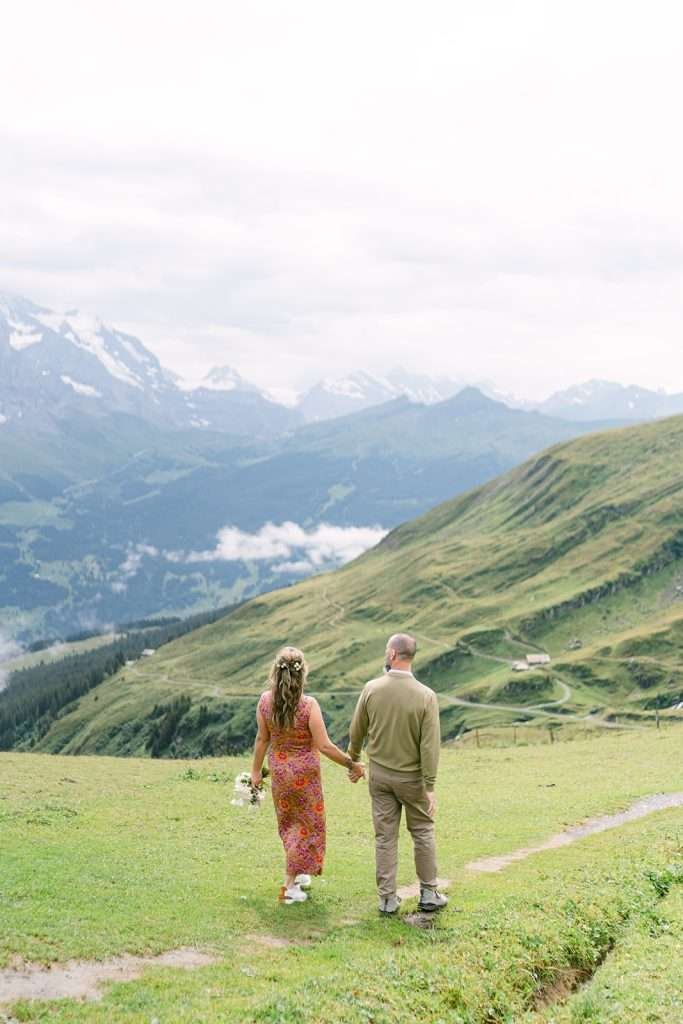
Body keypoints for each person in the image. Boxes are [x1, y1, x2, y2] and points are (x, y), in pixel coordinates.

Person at [252, 645, 364, 904]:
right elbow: (324, 745)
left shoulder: (264, 701)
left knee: (289, 824)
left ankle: (299, 871)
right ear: (302, 674)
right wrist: (352, 764)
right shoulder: (309, 705)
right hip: (306, 777)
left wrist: (256, 770)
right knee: (307, 826)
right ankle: (289, 887)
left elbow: (261, 739)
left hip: (280, 774)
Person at [347, 632, 448, 915]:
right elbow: (429, 746)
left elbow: (356, 732)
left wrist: (354, 762)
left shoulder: (371, 689)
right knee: (423, 832)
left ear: (392, 654)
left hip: (379, 777)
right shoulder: (426, 696)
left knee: (385, 838)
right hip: (413, 779)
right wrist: (430, 786)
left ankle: (387, 899)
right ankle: (429, 893)